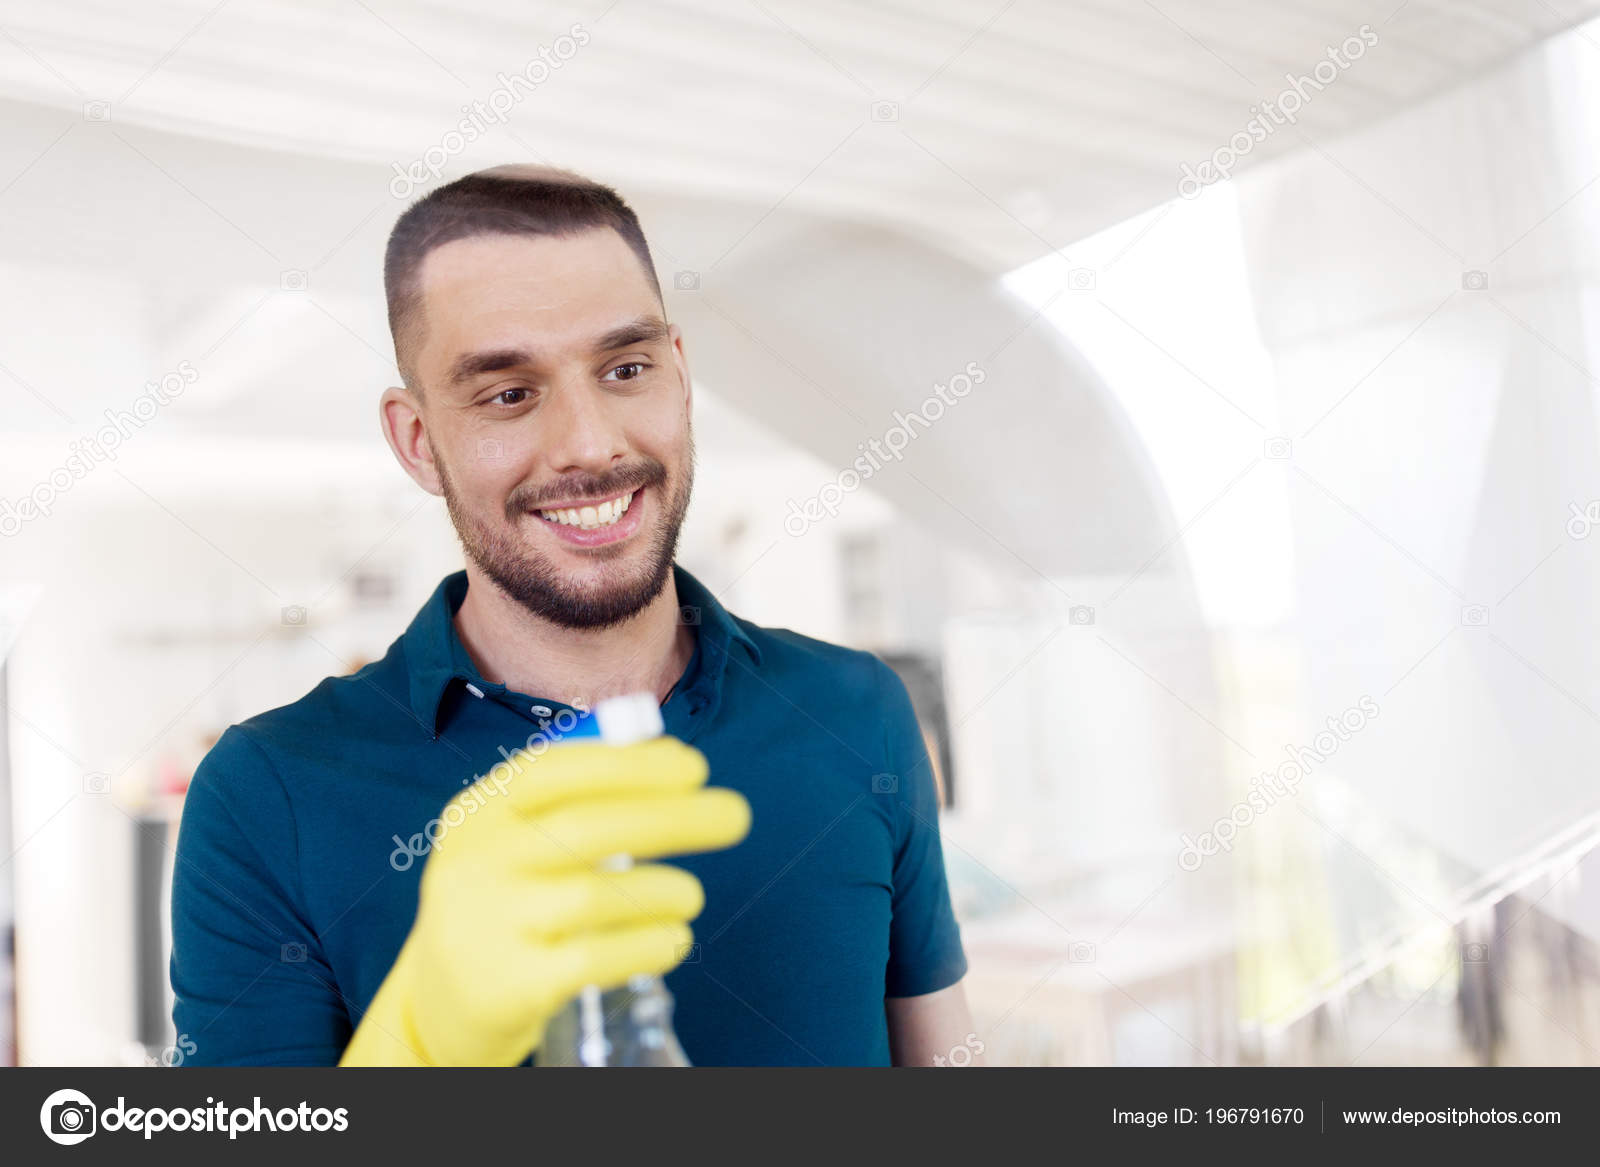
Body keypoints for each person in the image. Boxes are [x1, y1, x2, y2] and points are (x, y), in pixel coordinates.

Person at [169, 165, 972, 1066]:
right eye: (509, 392)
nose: (592, 444)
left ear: (680, 374)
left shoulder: (858, 708)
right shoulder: (264, 795)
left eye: (626, 368)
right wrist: (420, 1043)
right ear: (418, 441)